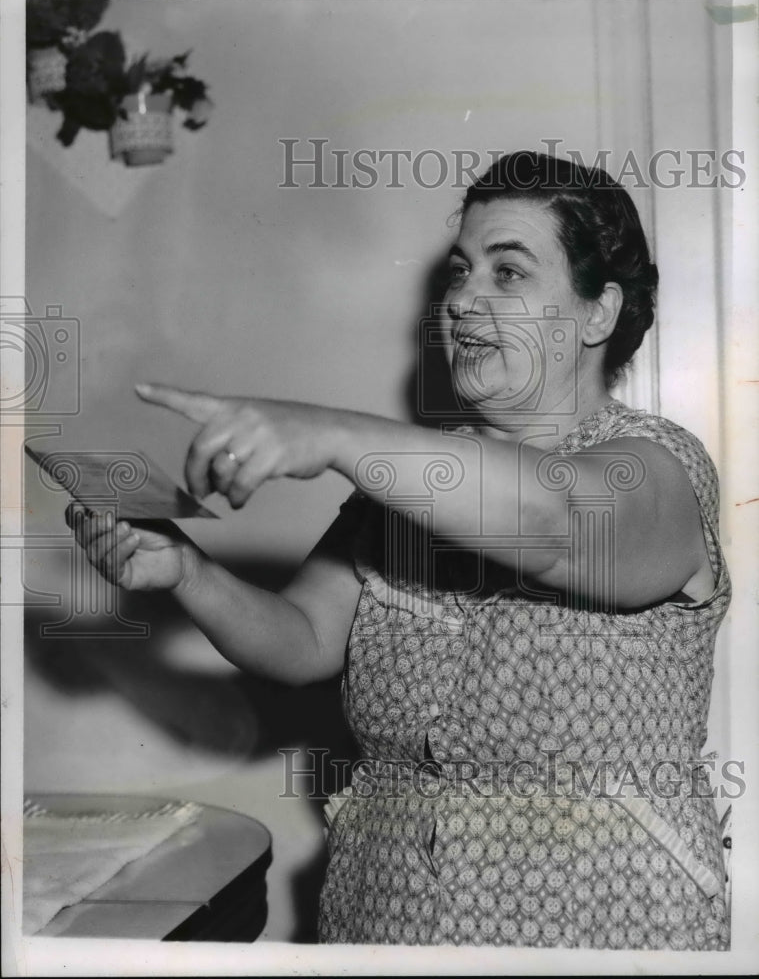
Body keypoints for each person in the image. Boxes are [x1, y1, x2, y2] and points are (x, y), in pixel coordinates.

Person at [68, 151, 730, 950]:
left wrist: (337, 432)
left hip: (601, 925)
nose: (462, 301)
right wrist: (187, 570)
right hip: (389, 913)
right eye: (460, 272)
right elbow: (304, 639)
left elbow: (558, 523)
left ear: (595, 314)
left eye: (508, 274)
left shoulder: (658, 464)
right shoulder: (406, 484)